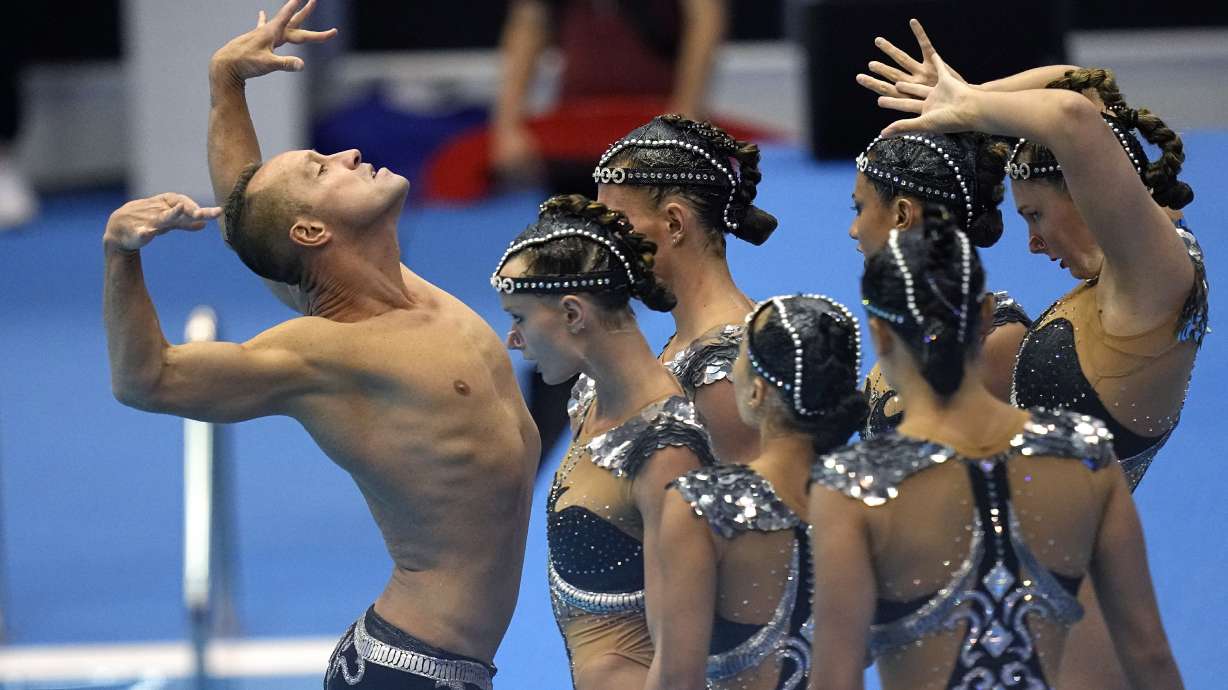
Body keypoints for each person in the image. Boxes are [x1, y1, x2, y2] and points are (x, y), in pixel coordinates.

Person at [113, 3, 539, 687]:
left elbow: (250, 221)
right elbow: (147, 380)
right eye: (322, 170)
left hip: (451, 666)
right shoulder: (326, 349)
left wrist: (226, 82)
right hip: (411, 672)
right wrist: (121, 256)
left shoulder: (397, 284)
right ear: (314, 233)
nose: (345, 153)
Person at [864, 27, 1207, 689]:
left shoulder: (1153, 279)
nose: (1030, 241)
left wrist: (967, 109)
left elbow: (1074, 115)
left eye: (1037, 216)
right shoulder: (1135, 270)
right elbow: (1081, 90)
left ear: (1089, 192)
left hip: (1069, 592)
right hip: (1038, 573)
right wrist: (968, 94)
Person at [808, 207, 1184, 690]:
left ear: (879, 333)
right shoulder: (1085, 453)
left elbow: (836, 677)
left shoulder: (852, 486)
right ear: (986, 316)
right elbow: (1148, 652)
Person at [492, 193, 716, 690]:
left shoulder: (665, 452)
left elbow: (681, 668)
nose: (513, 339)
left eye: (520, 318)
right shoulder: (589, 396)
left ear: (573, 313)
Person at [649, 295, 866, 690]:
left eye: (740, 358)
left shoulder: (703, 505)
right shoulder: (868, 507)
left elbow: (675, 678)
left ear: (755, 392)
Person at [588, 114, 776, 464]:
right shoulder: (693, 342)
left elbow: (758, 513)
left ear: (674, 223)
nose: (605, 244)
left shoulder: (723, 375)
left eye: (617, 224)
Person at [847, 126, 1028, 438]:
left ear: (903, 215)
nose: (853, 229)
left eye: (859, 208)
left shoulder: (992, 341)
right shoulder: (908, 321)